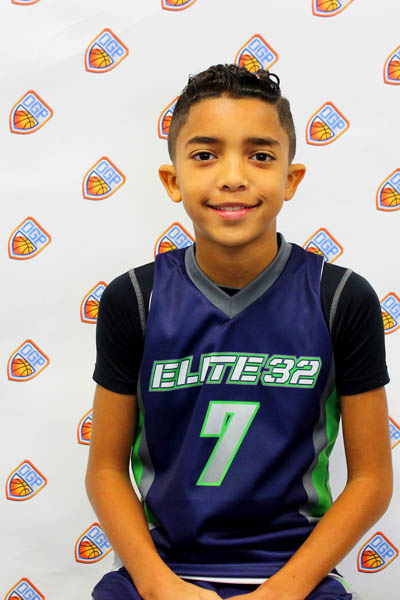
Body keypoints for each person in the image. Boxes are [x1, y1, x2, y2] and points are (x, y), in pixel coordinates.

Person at [85, 64, 393, 600]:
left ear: (291, 178)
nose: (233, 176)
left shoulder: (340, 297)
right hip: (162, 571)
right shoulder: (135, 298)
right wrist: (157, 584)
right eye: (206, 155)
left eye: (261, 156)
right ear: (173, 179)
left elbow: (372, 479)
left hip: (295, 575)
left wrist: (284, 590)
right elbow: (106, 469)